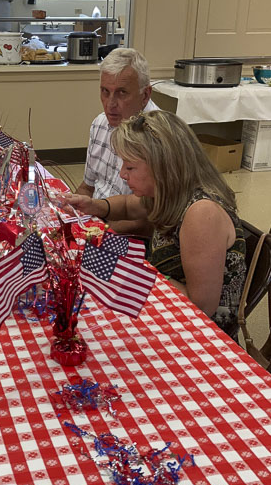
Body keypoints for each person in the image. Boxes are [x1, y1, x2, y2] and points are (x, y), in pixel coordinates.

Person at [66, 110, 246, 337]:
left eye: (130, 167)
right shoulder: (169, 192)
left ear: (161, 166)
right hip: (170, 308)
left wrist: (137, 271)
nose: (122, 174)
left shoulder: (201, 213)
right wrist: (94, 205)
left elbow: (201, 306)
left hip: (202, 335)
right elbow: (128, 205)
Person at [76, 47, 158, 235]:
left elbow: (150, 221)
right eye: (105, 91)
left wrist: (96, 233)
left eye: (122, 93)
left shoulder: (159, 138)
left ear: (145, 95)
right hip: (99, 221)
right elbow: (87, 187)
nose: (110, 104)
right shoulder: (100, 124)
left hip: (128, 236)